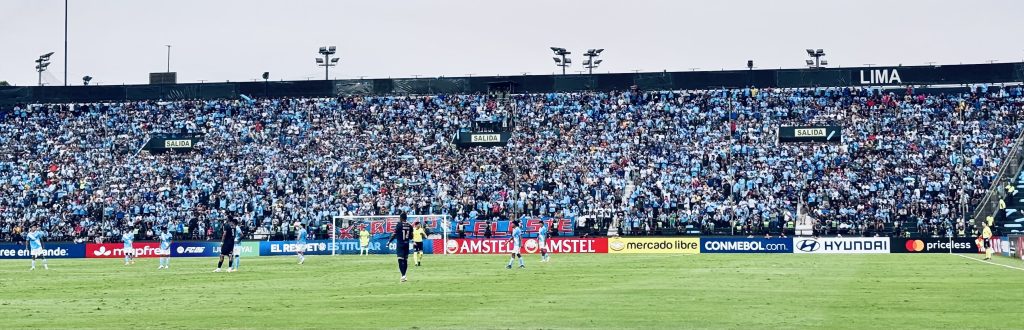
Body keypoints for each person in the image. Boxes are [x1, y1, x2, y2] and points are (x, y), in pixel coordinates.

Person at [388, 213, 413, 282]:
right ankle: (404, 275)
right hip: (407, 244)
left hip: (400, 244)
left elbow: (394, 234)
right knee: (405, 260)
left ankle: (403, 275)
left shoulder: (399, 225)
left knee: (400, 260)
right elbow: (411, 237)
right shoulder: (410, 225)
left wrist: (389, 241)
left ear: (401, 218)